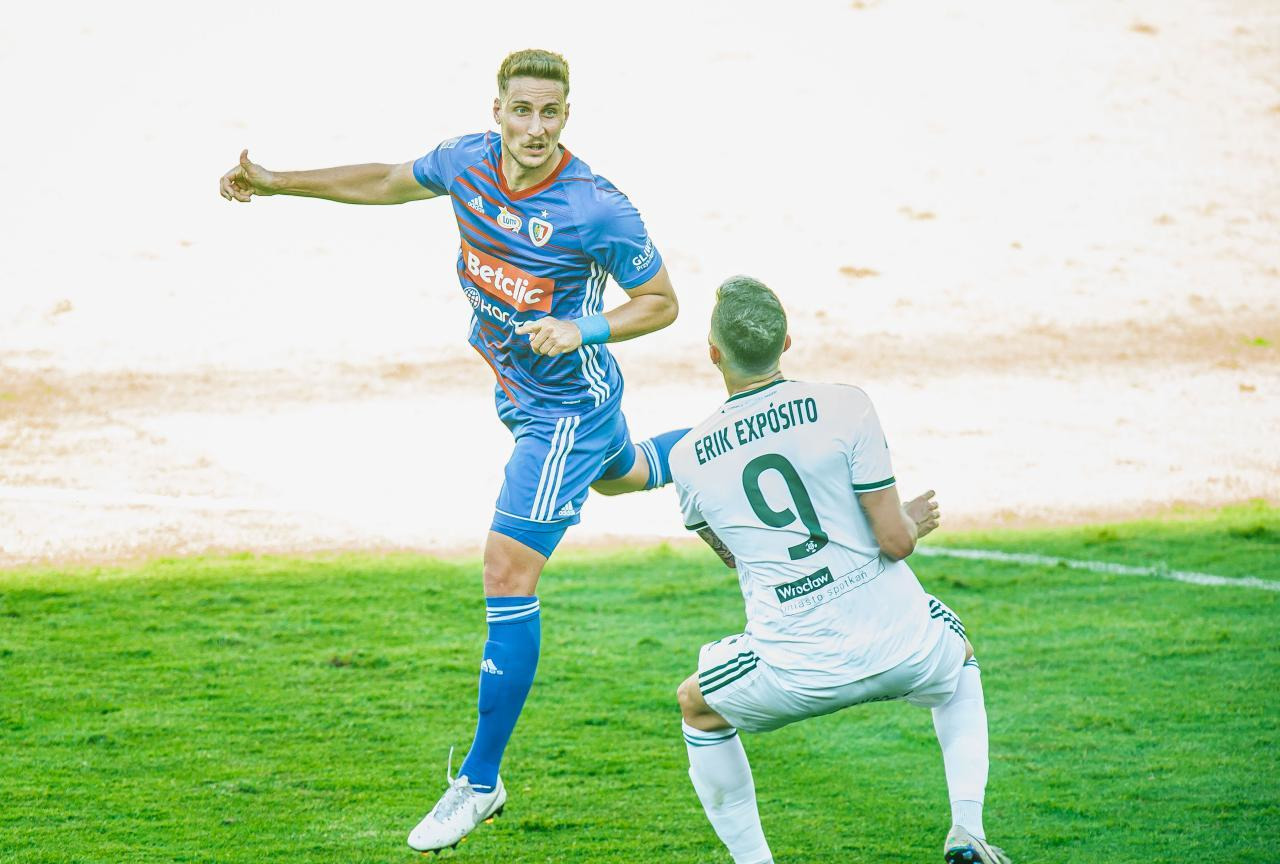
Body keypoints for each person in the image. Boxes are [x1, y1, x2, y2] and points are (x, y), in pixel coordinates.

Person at [219, 49, 690, 853]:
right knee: (624, 474)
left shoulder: (596, 207)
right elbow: (384, 180)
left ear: (566, 116)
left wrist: (583, 327)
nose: (534, 127)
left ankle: (479, 781)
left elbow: (661, 302)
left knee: (507, 572)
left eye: (549, 113)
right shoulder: (466, 161)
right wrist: (275, 181)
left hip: (565, 412)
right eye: (521, 110)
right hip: (521, 389)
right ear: (497, 111)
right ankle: (734, 437)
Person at [668, 276, 1011, 864]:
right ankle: (967, 829)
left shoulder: (687, 458)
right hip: (904, 650)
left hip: (794, 672)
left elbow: (735, 556)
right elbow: (896, 543)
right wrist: (907, 522)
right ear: (787, 342)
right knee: (959, 659)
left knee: (696, 705)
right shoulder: (846, 406)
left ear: (713, 353)